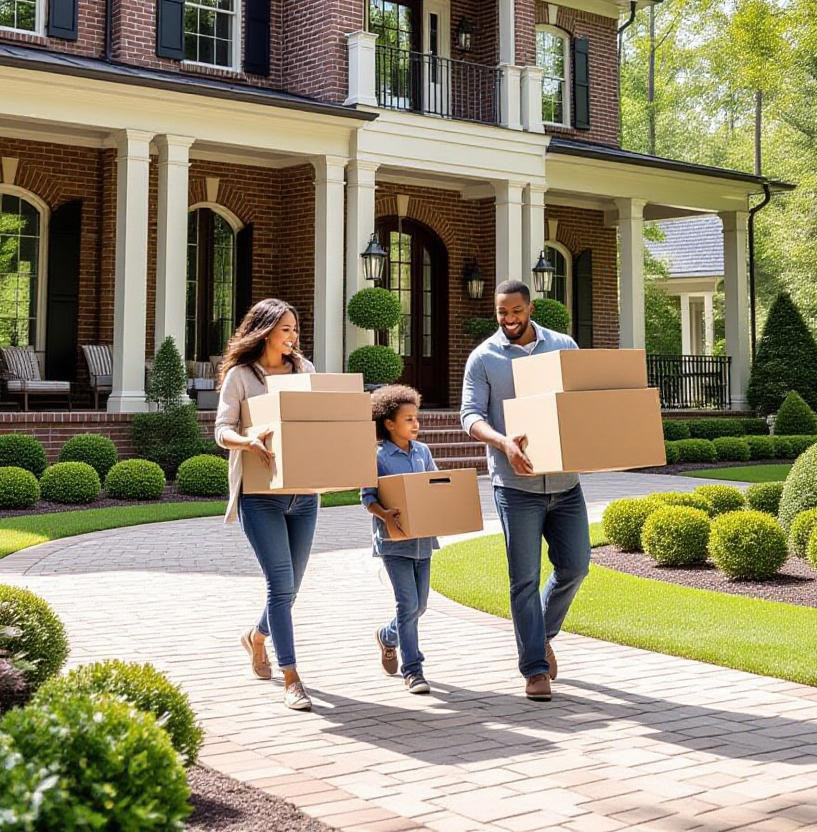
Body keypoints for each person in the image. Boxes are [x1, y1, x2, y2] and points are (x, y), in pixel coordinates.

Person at [460, 279, 591, 702]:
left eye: (515, 311)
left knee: (576, 566)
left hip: (565, 482)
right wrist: (502, 443)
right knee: (524, 579)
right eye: (502, 313)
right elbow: (469, 414)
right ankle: (534, 668)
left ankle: (540, 633)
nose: (509, 320)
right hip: (516, 485)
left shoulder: (563, 345)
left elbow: (581, 400)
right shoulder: (484, 357)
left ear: (530, 308)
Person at [215, 298, 318, 712]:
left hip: (304, 494)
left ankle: (256, 637)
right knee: (280, 586)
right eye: (286, 330)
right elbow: (222, 429)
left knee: (290, 590)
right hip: (260, 498)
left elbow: (317, 421)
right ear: (265, 332)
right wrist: (248, 440)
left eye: (295, 329)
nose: (293, 337)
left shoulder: (304, 371)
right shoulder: (241, 376)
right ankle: (291, 677)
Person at [361, 385, 439, 695]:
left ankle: (387, 636)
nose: (416, 424)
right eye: (408, 419)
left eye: (416, 418)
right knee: (408, 604)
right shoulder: (377, 457)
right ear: (389, 423)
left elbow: (436, 485)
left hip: (423, 541)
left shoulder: (423, 452)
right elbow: (367, 498)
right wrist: (384, 513)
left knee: (419, 605)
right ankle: (413, 670)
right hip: (394, 544)